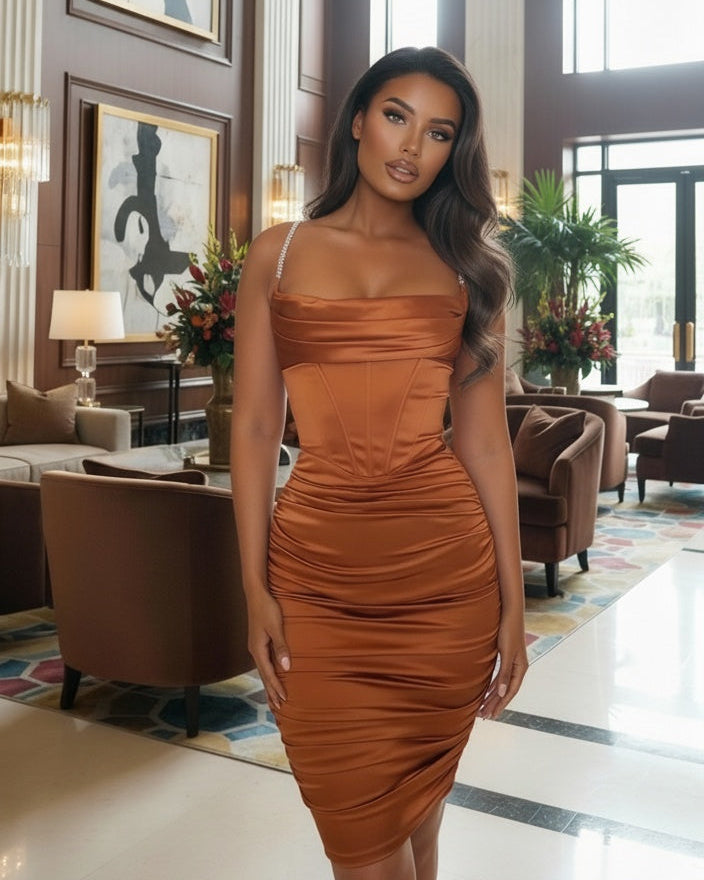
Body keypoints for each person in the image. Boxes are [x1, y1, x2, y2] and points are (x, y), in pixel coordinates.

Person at [231, 46, 528, 880]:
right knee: (362, 841)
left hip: (445, 585)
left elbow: (483, 443)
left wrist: (512, 602)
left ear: (453, 152)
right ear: (358, 118)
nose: (410, 146)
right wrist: (253, 587)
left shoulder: (470, 270)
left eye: (439, 132)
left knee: (418, 822)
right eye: (396, 116)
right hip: (315, 581)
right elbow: (255, 428)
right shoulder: (279, 253)